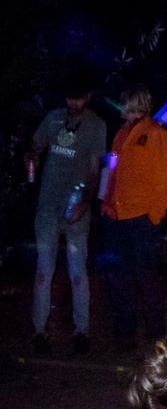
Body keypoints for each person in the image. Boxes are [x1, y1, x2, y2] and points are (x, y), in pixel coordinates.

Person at [26, 71, 106, 355]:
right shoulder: (53, 118)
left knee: (77, 272)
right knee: (43, 271)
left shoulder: (97, 125)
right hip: (47, 207)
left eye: (78, 98)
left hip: (75, 208)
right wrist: (31, 156)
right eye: (69, 98)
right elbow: (35, 146)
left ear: (88, 97)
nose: (73, 103)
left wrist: (87, 202)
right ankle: (39, 331)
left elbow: (96, 170)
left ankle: (81, 331)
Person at [101, 85, 167, 350]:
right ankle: (125, 337)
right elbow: (113, 173)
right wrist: (106, 205)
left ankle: (158, 339)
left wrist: (154, 217)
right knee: (119, 279)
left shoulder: (157, 136)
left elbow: (164, 182)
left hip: (141, 219)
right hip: (116, 216)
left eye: (124, 102)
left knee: (147, 279)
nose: (120, 106)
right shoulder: (121, 134)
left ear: (135, 104)